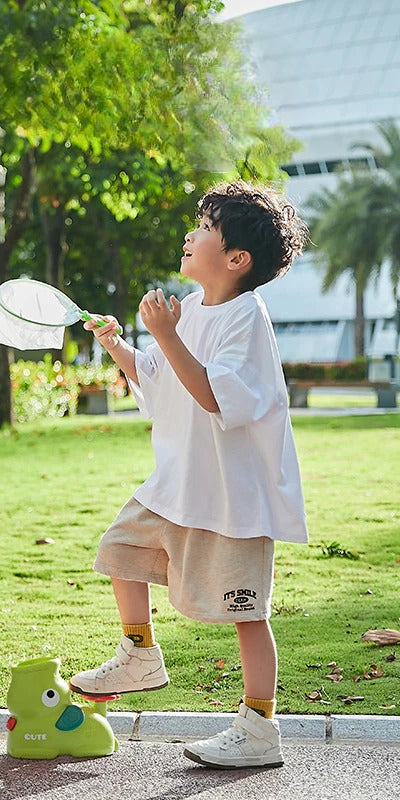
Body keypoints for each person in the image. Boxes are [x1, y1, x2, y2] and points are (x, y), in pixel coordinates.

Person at [69, 180, 309, 769]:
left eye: (203, 228)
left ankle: (260, 726)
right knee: (119, 552)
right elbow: (160, 380)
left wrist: (166, 335)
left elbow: (211, 395)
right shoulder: (193, 308)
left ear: (236, 259)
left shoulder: (245, 318)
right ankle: (139, 653)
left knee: (246, 613)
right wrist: (119, 345)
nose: (189, 234)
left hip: (233, 500)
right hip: (177, 486)